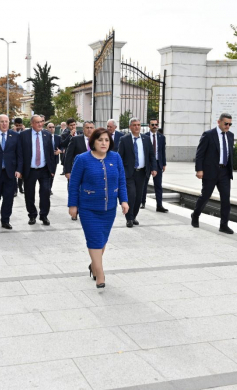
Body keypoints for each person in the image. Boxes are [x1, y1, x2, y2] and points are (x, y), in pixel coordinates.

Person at [68, 128, 129, 288]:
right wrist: (73, 205)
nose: (104, 143)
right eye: (100, 140)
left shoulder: (115, 158)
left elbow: (121, 181)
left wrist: (124, 200)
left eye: (107, 140)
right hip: (88, 208)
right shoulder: (82, 159)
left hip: (109, 209)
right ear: (93, 141)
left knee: (102, 240)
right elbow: (74, 183)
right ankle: (100, 273)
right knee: (94, 239)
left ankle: (93, 265)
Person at [191, 113, 235, 234]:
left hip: (225, 172)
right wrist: (199, 169)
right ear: (219, 122)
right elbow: (200, 153)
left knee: (226, 199)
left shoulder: (230, 136)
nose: (228, 126)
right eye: (226, 123)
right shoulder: (209, 135)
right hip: (210, 171)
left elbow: (229, 153)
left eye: (230, 124)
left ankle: (224, 225)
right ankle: (195, 215)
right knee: (205, 196)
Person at [117, 118, 157, 227]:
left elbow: (151, 155)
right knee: (131, 195)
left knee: (139, 196)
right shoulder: (124, 140)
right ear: (130, 127)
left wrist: (154, 168)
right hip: (129, 173)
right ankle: (129, 218)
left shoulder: (146, 139)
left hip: (142, 173)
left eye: (138, 125)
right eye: (134, 125)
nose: (137, 127)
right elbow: (119, 157)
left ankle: (134, 216)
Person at [20, 115, 56, 225]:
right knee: (29, 194)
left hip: (44, 169)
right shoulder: (23, 135)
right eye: (37, 122)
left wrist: (52, 169)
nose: (40, 124)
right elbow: (20, 154)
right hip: (29, 170)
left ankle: (44, 215)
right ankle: (32, 215)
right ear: (31, 124)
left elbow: (51, 154)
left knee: (45, 193)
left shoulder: (47, 135)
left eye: (41, 122)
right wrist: (20, 170)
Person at [141, 118, 168, 212]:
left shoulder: (161, 137)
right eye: (152, 125)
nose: (154, 126)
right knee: (144, 184)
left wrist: (164, 163)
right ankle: (142, 202)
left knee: (158, 185)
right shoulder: (144, 137)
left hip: (158, 163)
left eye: (156, 124)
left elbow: (162, 151)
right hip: (147, 163)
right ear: (149, 126)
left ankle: (159, 205)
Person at [46, 122, 63, 196]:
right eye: (50, 127)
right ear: (47, 128)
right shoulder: (44, 136)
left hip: (55, 159)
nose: (51, 128)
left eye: (53, 127)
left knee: (52, 175)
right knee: (46, 175)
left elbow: (62, 146)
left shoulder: (58, 137)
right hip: (46, 159)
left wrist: (60, 151)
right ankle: (46, 189)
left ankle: (49, 189)